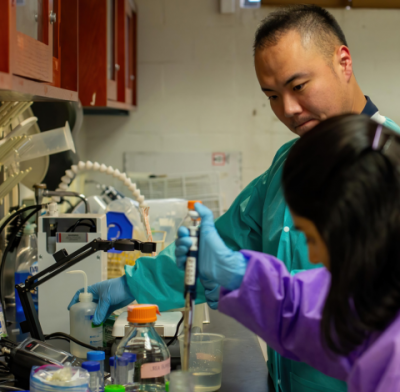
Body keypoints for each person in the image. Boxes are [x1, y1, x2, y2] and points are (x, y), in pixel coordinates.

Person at [69, 5, 400, 391]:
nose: (288, 110)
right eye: (272, 96)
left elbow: (357, 312)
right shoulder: (287, 167)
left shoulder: (391, 168)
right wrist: (132, 286)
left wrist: (242, 280)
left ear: (343, 62)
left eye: (298, 86)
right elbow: (216, 248)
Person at [175, 114, 400, 392]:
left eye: (311, 238)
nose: (314, 257)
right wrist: (237, 274)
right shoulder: (377, 290)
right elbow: (311, 313)